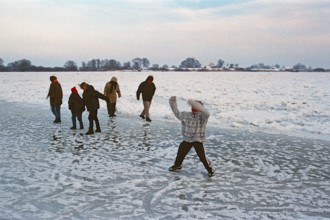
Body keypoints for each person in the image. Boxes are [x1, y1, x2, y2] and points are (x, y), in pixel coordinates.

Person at [168, 96, 214, 177]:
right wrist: (173, 103)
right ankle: (177, 165)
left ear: (200, 109)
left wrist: (198, 106)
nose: (193, 109)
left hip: (198, 140)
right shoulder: (186, 115)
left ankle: (210, 169)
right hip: (187, 139)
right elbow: (177, 113)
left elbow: (207, 114)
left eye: (196, 107)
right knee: (181, 152)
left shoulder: (202, 117)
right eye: (193, 107)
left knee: (203, 157)